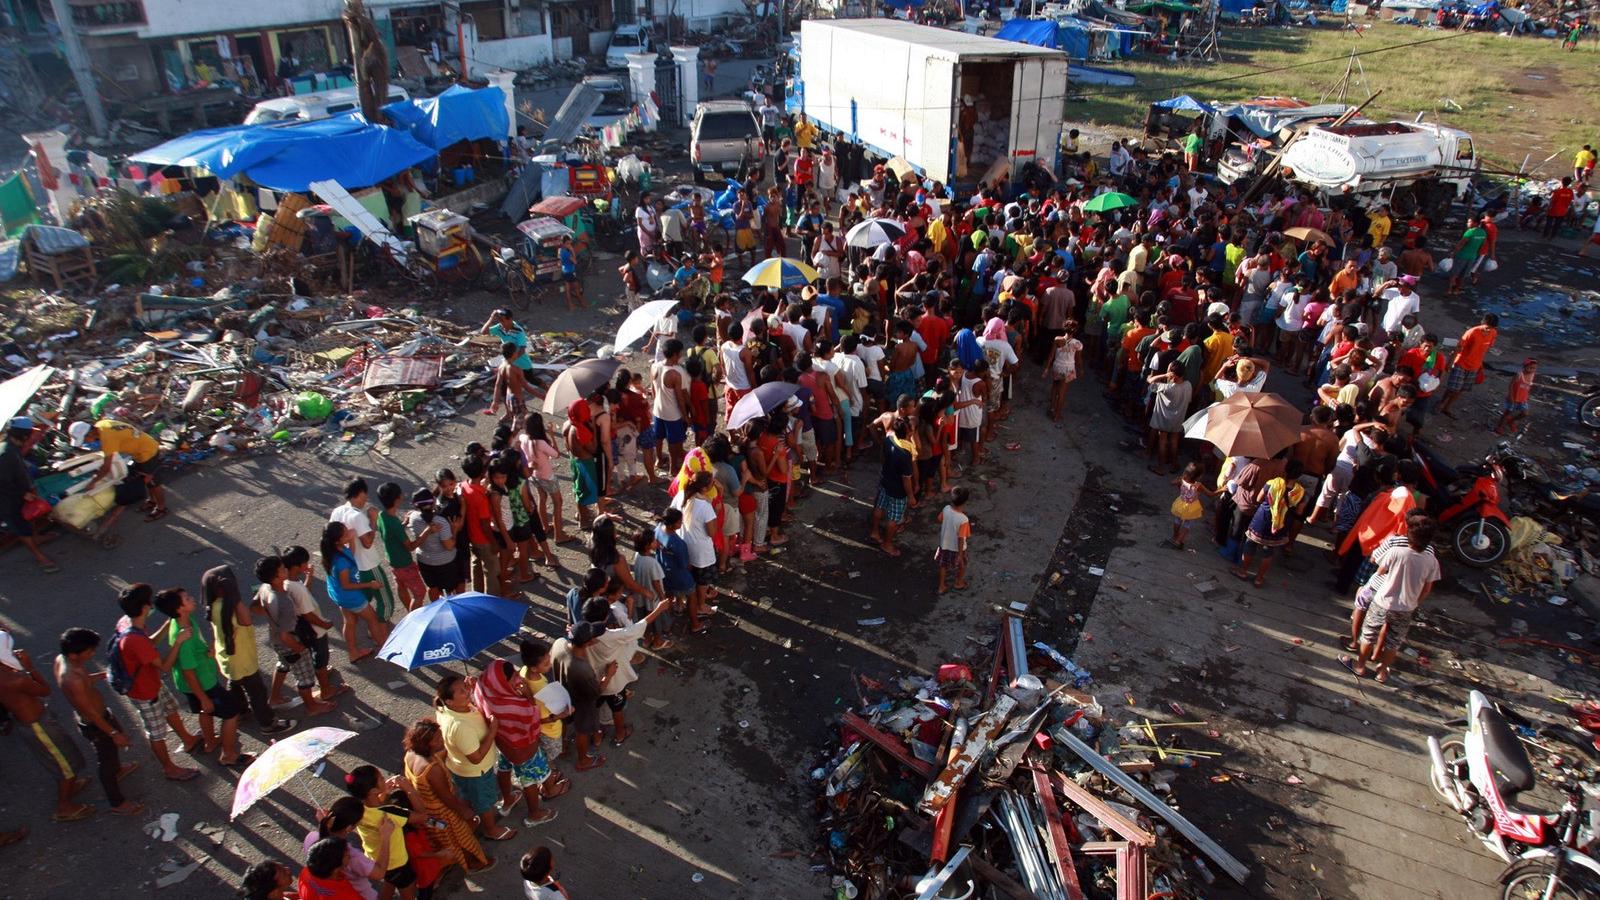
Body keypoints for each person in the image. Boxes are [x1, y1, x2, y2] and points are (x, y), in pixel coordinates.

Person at [110, 584, 201, 781]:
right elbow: (164, 666)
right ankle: (169, 768)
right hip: (144, 691)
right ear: (144, 608)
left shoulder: (128, 622)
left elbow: (149, 644)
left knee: (170, 709)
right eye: (148, 601)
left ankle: (188, 739)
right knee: (157, 732)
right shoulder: (134, 639)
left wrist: (167, 625)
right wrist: (178, 641)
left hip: (152, 682)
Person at [0, 630, 93, 821]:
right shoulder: (15, 679)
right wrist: (29, 667)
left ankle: (69, 786)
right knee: (65, 764)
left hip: (31, 722)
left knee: (62, 759)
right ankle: (64, 806)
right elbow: (44, 690)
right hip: (38, 726)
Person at [154, 587, 251, 769]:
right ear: (179, 609)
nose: (192, 599)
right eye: (187, 598)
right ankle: (228, 754)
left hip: (191, 683)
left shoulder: (182, 622)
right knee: (231, 712)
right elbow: (188, 672)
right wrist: (203, 697)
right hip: (203, 683)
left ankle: (210, 741)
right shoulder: (185, 639)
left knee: (204, 711)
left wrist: (206, 652)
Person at [54, 628, 144, 816]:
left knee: (111, 754)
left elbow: (85, 683)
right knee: (106, 762)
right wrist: (113, 733)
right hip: (97, 724)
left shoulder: (64, 660)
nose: (92, 654)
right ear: (73, 654)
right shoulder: (72, 679)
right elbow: (90, 713)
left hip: (101, 717)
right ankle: (117, 802)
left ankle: (118, 770)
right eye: (89, 651)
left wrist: (100, 676)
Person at [1342, 517, 1440, 683]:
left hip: (1383, 601)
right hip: (1406, 607)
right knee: (1394, 641)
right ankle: (1381, 672)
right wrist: (1415, 602)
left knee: (1369, 634)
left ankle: (1360, 665)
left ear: (1409, 536)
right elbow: (1427, 588)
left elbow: (1380, 570)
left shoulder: (1396, 552)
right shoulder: (1432, 561)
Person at [204, 564, 294, 736]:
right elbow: (246, 621)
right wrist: (235, 598)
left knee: (235, 684)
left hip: (227, 658)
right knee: (257, 693)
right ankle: (268, 724)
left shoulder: (213, 604)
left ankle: (241, 712)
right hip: (243, 659)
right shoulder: (231, 607)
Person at [477, 658, 565, 827]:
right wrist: (528, 696)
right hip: (523, 749)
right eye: (513, 677)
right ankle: (534, 814)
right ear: (503, 682)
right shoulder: (514, 706)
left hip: (503, 744)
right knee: (529, 780)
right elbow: (533, 717)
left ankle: (507, 800)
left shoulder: (482, 687)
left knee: (503, 768)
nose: (518, 677)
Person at [433, 674, 515, 842]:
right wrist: (492, 731)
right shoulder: (460, 726)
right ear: (449, 701)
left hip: (462, 769)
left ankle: (472, 818)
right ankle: (490, 829)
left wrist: (472, 688)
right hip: (476, 772)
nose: (467, 692)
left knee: (472, 797)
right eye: (461, 691)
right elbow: (476, 758)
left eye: (465, 687)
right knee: (484, 803)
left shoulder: (451, 707)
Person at [255, 555, 338, 717]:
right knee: (305, 676)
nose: (285, 569)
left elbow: (255, 606)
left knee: (283, 664)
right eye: (282, 569)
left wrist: (272, 617)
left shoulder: (265, 588)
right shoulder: (283, 601)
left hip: (276, 640)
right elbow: (286, 635)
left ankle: (275, 697)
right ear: (277, 576)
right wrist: (300, 649)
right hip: (291, 643)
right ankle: (311, 705)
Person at [68, 418, 169, 526]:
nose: (85, 442)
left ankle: (161, 508)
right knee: (146, 479)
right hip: (142, 447)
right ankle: (152, 501)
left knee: (154, 482)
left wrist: (93, 481)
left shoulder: (107, 438)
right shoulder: (101, 424)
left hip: (147, 452)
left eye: (84, 440)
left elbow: (106, 467)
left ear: (90, 433)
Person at [329, 479, 398, 624]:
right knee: (386, 602)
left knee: (363, 600)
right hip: (368, 566)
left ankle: (370, 628)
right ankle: (379, 629)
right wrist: (373, 520)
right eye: (365, 494)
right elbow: (367, 543)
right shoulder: (357, 516)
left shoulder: (337, 512)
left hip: (352, 568)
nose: (366, 498)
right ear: (360, 493)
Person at [321, 521, 387, 662]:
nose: (350, 532)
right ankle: (385, 649)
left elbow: (350, 553)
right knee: (373, 619)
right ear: (338, 540)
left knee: (350, 621)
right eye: (346, 533)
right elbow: (347, 585)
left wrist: (351, 540)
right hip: (350, 596)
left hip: (338, 594)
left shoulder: (334, 552)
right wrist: (370, 584)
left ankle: (353, 653)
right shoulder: (341, 562)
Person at [0, 417, 57, 572]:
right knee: (20, 526)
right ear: (24, 435)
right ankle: (40, 558)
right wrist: (23, 493)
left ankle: (36, 537)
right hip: (6, 499)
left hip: (16, 493)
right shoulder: (6, 453)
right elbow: (2, 482)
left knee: (28, 515)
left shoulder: (12, 447)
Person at [551, 621, 606, 771]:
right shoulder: (582, 668)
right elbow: (596, 692)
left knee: (564, 720)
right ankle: (583, 761)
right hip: (581, 702)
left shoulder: (559, 643)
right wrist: (609, 676)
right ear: (588, 642)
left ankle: (562, 746)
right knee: (583, 729)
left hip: (562, 693)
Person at [1435, 313, 1499, 418]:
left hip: (1475, 366)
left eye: (1491, 328)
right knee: (1453, 388)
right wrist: (1450, 363)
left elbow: (1485, 350)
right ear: (1482, 323)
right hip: (1461, 363)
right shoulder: (1472, 332)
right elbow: (1458, 348)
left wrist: (1480, 365)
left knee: (1461, 390)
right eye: (1487, 328)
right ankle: (1440, 403)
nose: (1488, 330)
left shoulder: (1493, 333)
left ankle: (1447, 407)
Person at [870, 418, 917, 557]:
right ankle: (887, 544)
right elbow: (906, 480)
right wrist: (911, 496)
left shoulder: (888, 440)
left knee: (879, 506)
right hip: (898, 490)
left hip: (885, 481)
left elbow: (883, 458)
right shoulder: (905, 454)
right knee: (894, 518)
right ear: (908, 432)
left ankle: (874, 531)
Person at [1146, 361, 1192, 475]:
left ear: (1172, 374)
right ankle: (1174, 464)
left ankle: (1161, 467)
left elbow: (1150, 381)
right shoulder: (1188, 385)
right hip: (1178, 419)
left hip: (1164, 419)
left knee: (1162, 441)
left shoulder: (1166, 388)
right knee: (1174, 441)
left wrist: (1164, 375)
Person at [1166, 462, 1215, 550]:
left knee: (1177, 520)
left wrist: (1178, 482)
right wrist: (1222, 490)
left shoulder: (1182, 480)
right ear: (1199, 476)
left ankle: (1174, 537)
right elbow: (1210, 494)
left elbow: (1172, 482)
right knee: (1187, 524)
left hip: (1180, 503)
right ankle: (1178, 541)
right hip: (1191, 508)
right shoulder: (1198, 486)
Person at [935, 486, 971, 593]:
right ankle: (959, 583)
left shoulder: (946, 509)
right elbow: (961, 538)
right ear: (965, 502)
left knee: (943, 565)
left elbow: (939, 519)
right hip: (957, 549)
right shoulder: (964, 520)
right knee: (962, 565)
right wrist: (960, 554)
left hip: (944, 545)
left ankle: (941, 586)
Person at [1494, 358, 1538, 436]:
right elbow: (1511, 385)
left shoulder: (1532, 375)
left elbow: (1528, 387)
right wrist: (1511, 396)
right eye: (1530, 367)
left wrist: (1526, 396)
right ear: (1524, 366)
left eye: (1534, 368)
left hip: (1523, 399)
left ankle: (1511, 421)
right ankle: (1500, 426)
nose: (1532, 370)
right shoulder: (1519, 375)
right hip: (1513, 398)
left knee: (1525, 413)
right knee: (1508, 412)